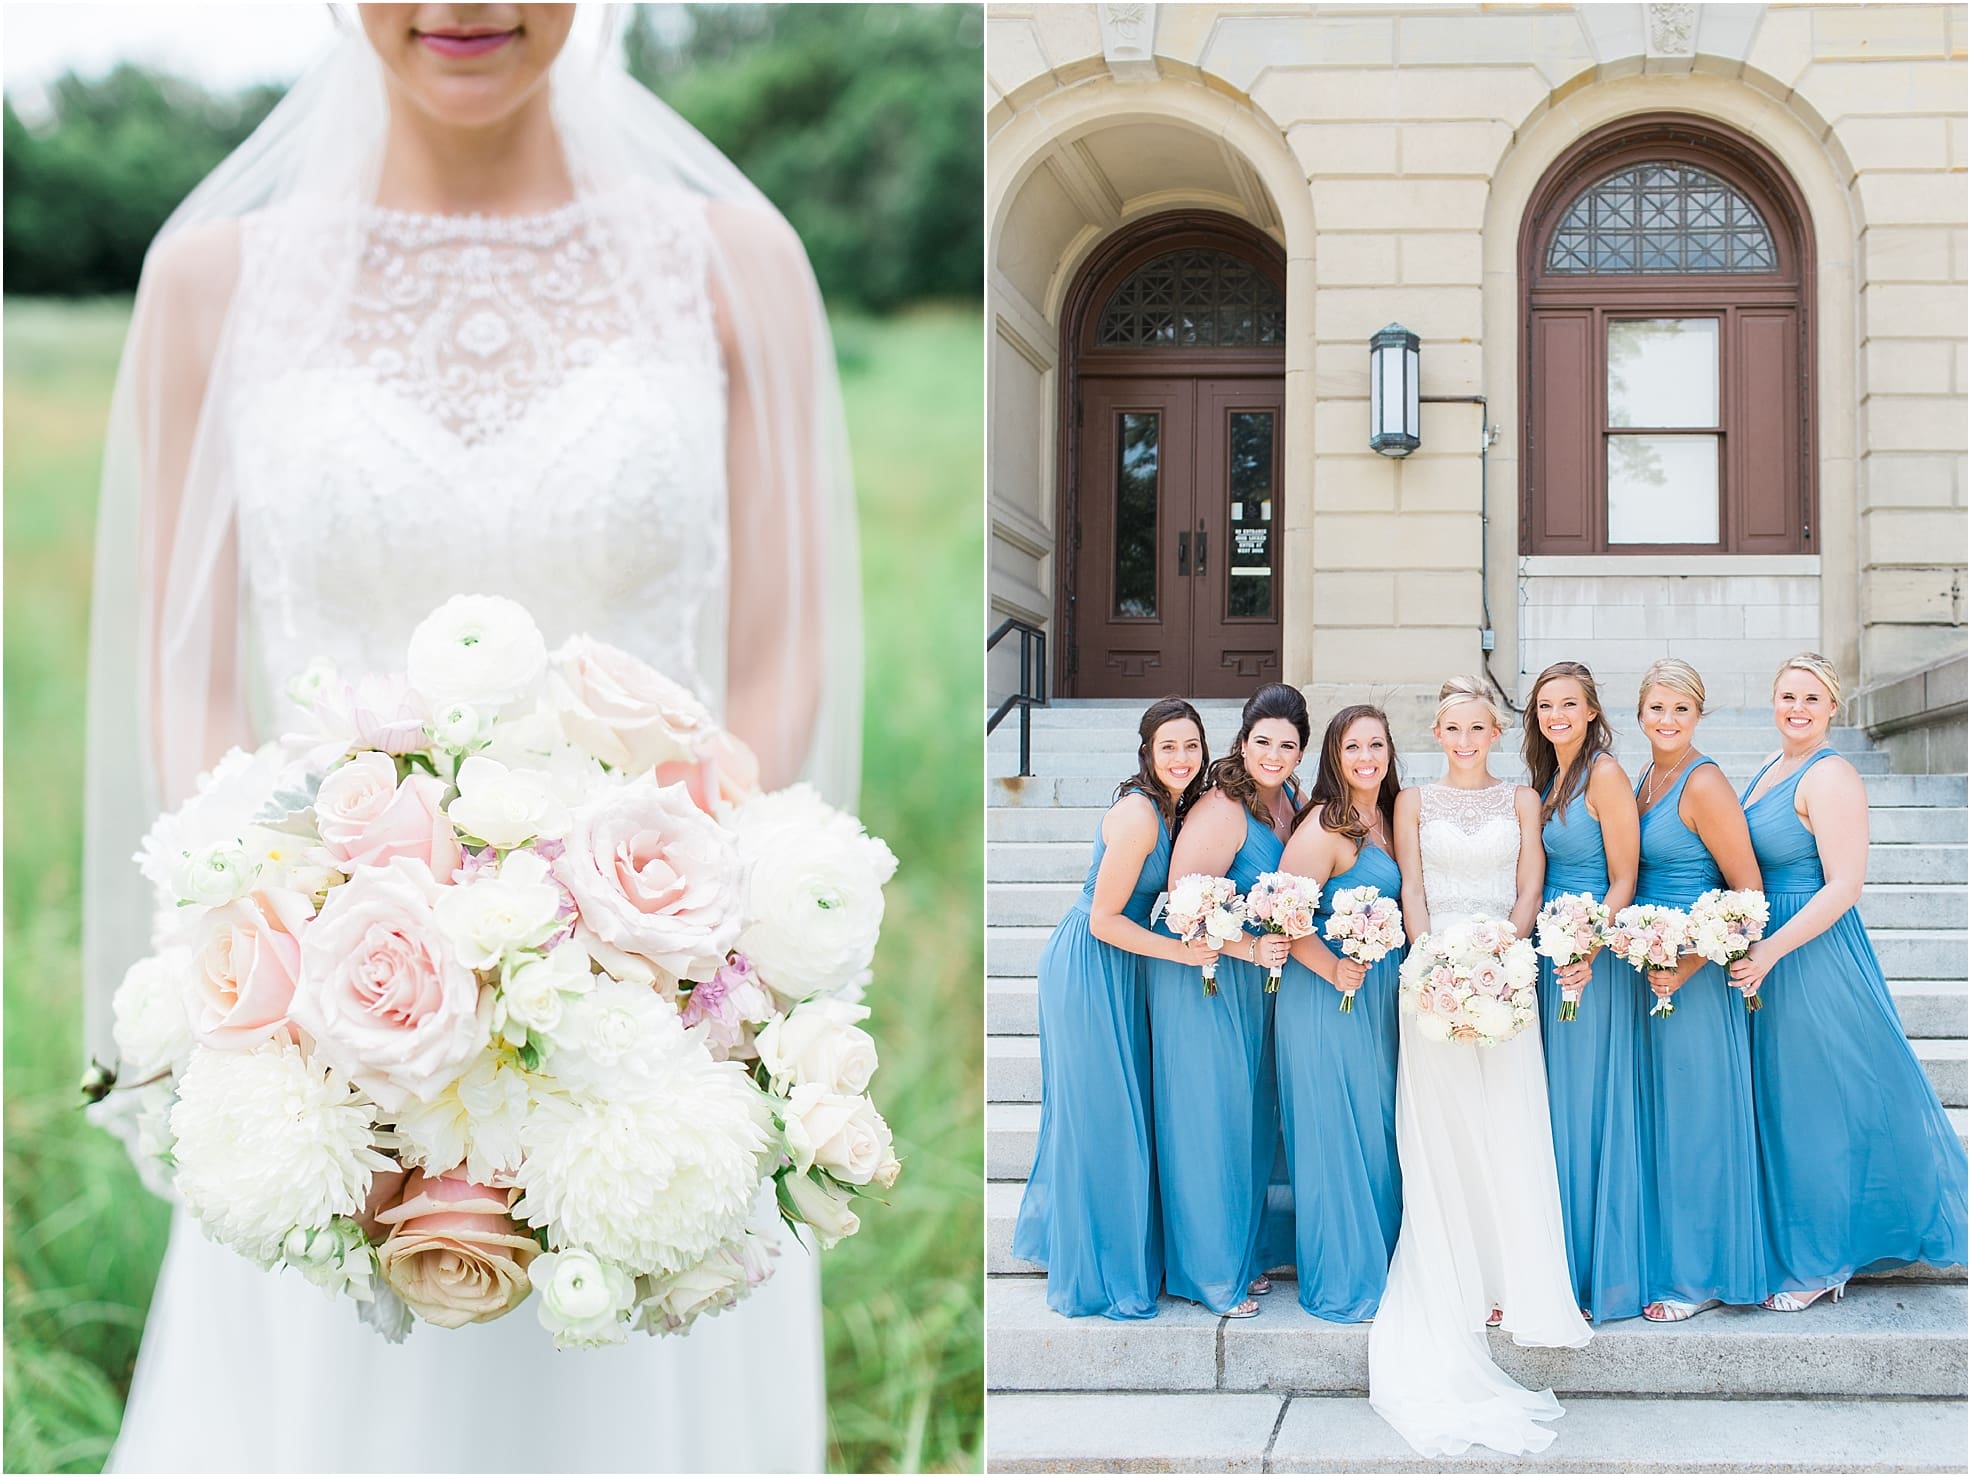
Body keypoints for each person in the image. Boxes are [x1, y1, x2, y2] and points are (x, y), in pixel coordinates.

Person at [82, 8, 857, 1470]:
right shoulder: (206, 286)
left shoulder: (734, 266)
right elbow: (184, 687)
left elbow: (777, 652)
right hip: (332, 1031)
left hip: (650, 1027)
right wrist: (304, 968)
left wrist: (653, 966)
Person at [1367, 676, 1589, 1460]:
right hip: (1429, 979)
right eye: (1451, 727)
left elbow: (1529, 883)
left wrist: (1504, 949)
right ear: (1437, 731)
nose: (1463, 739)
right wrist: (1429, 962)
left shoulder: (1523, 797)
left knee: (1505, 1124)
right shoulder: (1414, 800)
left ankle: (1510, 1281)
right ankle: (1456, 1277)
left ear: (1494, 731)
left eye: (1475, 727)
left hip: (1505, 974)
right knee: (1441, 1128)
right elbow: (1412, 887)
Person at [1733, 654, 1967, 1306]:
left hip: (1809, 955)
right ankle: (1797, 1238)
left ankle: (1821, 1262)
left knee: (1817, 1102)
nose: (1797, 707)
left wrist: (1771, 949)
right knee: (1785, 1100)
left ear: (1832, 707)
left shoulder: (1829, 774)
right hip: (1768, 954)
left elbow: (1844, 884)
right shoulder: (1768, 770)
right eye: (1786, 695)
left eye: (1811, 697)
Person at [1013, 697, 1216, 1318]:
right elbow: (1103, 920)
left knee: (1120, 1112)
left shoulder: (1179, 810)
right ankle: (1101, 1273)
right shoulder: (1138, 815)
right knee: (1105, 1118)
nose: (1181, 758)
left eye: (1190, 746)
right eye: (1168, 747)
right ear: (1147, 754)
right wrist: (1185, 954)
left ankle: (1115, 1249)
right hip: (1091, 964)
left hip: (1129, 965)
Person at [1150, 683, 1304, 1318]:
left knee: (1246, 1118)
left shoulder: (1288, 801)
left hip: (1251, 983)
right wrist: (1248, 949)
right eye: (1262, 741)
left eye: (1287, 744)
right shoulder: (1221, 809)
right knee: (1209, 1120)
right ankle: (1210, 1274)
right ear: (1242, 743)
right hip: (1204, 976)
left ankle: (1242, 1250)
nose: (1273, 754)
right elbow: (1182, 904)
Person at [1629, 659, 1765, 1323]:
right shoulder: (1644, 779)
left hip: (1695, 979)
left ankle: (1702, 1274)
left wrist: (1687, 964)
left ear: (1698, 716)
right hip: (1650, 972)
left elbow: (1747, 892)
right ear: (1639, 713)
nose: (1666, 719)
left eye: (1679, 709)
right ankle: (1670, 1254)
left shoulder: (1703, 781)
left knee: (1697, 1120)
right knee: (1666, 1119)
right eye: (1656, 707)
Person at [1523, 661, 1646, 1323]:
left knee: (1587, 1104)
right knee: (1557, 1106)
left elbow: (1624, 877)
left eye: (1567, 704)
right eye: (1545, 705)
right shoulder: (1550, 777)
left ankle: (1601, 1270)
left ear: (1592, 709)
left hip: (1587, 961)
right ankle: (1559, 1255)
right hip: (1551, 953)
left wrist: (1588, 946)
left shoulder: (1603, 774)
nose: (1556, 715)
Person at [1273, 705, 1404, 1321]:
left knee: (1377, 1130)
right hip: (1326, 995)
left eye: (1375, 744)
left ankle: (1384, 1260)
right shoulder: (1325, 826)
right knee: (1333, 1132)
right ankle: (1344, 1278)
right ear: (1334, 756)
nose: (1366, 757)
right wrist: (1333, 969)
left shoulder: (1387, 816)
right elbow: (1286, 917)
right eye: (1353, 747)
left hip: (1377, 1000)